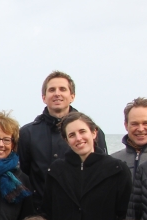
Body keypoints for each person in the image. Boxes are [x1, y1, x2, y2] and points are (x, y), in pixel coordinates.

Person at [18, 71, 107, 212]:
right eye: (52, 90)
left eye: (63, 89)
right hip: (39, 214)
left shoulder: (91, 132)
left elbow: (102, 172)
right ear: (44, 97)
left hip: (81, 212)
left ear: (72, 96)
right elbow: (22, 176)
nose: (57, 94)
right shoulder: (27, 133)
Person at [110, 98, 147, 184]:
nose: (140, 129)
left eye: (146, 123)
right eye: (134, 124)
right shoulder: (112, 161)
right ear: (126, 125)